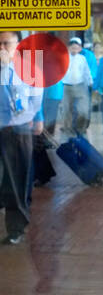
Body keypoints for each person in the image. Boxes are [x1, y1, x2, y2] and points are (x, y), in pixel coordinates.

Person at [0, 31, 43, 245]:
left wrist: (36, 118)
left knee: (16, 179)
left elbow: (28, 102)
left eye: (6, 43)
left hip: (17, 130)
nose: (1, 48)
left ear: (17, 45)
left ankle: (16, 227)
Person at [60, 35, 93, 135]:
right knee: (66, 110)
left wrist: (90, 82)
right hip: (66, 87)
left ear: (80, 48)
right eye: (72, 47)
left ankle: (80, 129)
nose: (74, 49)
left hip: (80, 86)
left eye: (76, 47)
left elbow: (86, 72)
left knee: (83, 110)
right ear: (69, 48)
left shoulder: (82, 59)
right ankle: (67, 129)